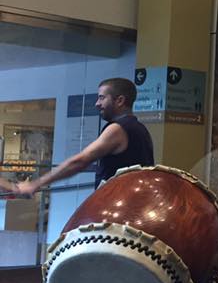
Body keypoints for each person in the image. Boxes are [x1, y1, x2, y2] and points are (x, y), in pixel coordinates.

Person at [17, 77, 154, 196]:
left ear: (120, 100)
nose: (97, 104)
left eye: (102, 98)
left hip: (119, 207)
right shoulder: (139, 128)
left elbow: (80, 161)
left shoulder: (117, 129)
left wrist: (36, 184)